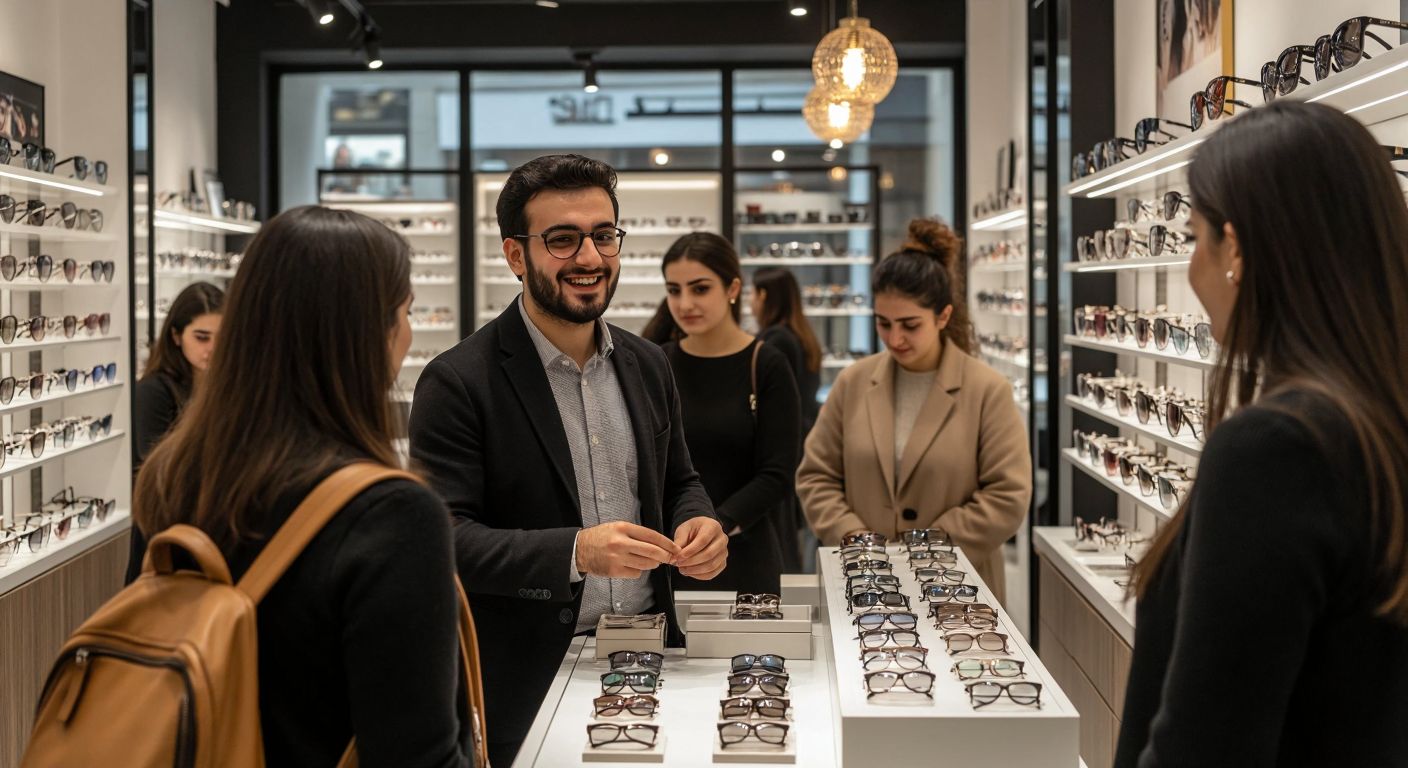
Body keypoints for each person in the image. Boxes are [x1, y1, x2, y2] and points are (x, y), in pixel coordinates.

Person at [409, 154, 728, 767]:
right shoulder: (458, 381)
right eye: (562, 239)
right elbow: (441, 540)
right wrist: (575, 553)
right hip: (527, 684)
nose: (589, 258)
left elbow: (679, 480)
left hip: (651, 657)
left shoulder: (648, 364)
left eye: (604, 236)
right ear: (514, 254)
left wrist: (700, 521)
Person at [1116, 102, 1408, 765]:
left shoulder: (1277, 448)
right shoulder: (1375, 424)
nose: (1192, 268)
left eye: (1194, 237)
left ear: (1237, 248)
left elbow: (1207, 743)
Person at [132, 206, 473, 767]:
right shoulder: (391, 514)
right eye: (404, 312)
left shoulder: (178, 473)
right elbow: (415, 755)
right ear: (367, 332)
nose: (408, 333)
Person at [795, 218, 1030, 603]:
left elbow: (1008, 494)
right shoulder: (854, 382)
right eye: (883, 324)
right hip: (863, 583)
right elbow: (816, 476)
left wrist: (929, 548)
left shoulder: (987, 390)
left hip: (958, 591)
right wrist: (854, 537)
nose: (895, 338)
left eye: (909, 325)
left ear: (943, 316)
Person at [660, 233, 800, 594]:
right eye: (674, 290)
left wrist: (715, 525)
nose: (685, 302)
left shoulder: (766, 364)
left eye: (700, 289)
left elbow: (777, 473)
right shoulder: (656, 363)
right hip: (669, 557)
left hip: (745, 558)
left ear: (732, 288)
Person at [125, 281, 224, 583]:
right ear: (176, 336)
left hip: (211, 530)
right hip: (166, 534)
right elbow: (154, 468)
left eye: (221, 337)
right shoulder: (155, 391)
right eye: (202, 337)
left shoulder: (224, 389)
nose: (212, 349)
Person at [750, 266, 822, 571]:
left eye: (752, 294)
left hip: (786, 446)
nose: (750, 303)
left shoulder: (776, 340)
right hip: (804, 438)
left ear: (764, 295)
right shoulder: (801, 335)